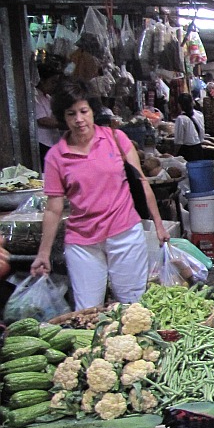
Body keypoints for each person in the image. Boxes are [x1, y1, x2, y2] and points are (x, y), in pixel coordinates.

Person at [31, 79, 170, 310]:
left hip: (125, 234)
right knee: (88, 312)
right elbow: (53, 208)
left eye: (83, 111)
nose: (79, 119)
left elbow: (142, 183)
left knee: (132, 307)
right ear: (62, 118)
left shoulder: (116, 139)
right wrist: (43, 254)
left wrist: (158, 225)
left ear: (92, 111)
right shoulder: (56, 157)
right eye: (70, 114)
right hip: (82, 243)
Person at [34, 63, 63, 163]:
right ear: (42, 80)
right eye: (53, 82)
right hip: (43, 144)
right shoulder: (35, 97)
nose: (55, 85)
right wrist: (65, 124)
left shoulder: (48, 97)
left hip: (51, 142)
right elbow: (42, 120)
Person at [173, 93, 205, 161]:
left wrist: (174, 155)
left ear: (179, 105)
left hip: (188, 152)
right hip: (199, 149)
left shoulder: (181, 119)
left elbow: (179, 141)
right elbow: (202, 133)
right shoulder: (199, 114)